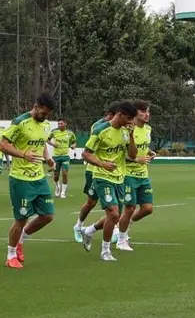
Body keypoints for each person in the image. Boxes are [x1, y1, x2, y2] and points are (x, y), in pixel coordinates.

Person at [0, 94, 57, 269]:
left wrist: (47, 158)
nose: (45, 117)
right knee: (21, 218)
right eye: (43, 113)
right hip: (21, 178)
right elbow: (3, 145)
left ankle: (21, 239)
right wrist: (23, 154)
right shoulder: (20, 122)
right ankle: (10, 255)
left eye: (48, 114)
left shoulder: (46, 125)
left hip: (39, 177)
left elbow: (41, 143)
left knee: (47, 216)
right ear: (36, 106)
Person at [79, 101, 137, 262]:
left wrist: (131, 136)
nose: (131, 122)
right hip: (102, 177)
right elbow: (86, 154)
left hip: (120, 178)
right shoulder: (100, 131)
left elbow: (132, 155)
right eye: (129, 118)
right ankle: (105, 251)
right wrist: (102, 164)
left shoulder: (126, 132)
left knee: (115, 217)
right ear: (119, 115)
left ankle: (89, 231)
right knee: (113, 213)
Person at [116, 100, 155, 251]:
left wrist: (150, 151)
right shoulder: (126, 130)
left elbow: (143, 145)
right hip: (128, 174)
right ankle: (121, 239)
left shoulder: (148, 129)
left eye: (148, 111)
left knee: (147, 208)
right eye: (143, 111)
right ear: (136, 113)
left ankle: (125, 224)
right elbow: (119, 153)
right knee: (130, 207)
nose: (147, 114)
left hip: (143, 174)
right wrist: (136, 158)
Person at [73, 107, 114, 242]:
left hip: (113, 171)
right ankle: (78, 226)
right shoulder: (98, 127)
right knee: (91, 202)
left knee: (114, 203)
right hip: (94, 169)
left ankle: (115, 230)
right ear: (110, 115)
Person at [50, 120, 75, 198]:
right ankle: (57, 186)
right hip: (56, 156)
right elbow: (47, 139)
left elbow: (74, 142)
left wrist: (73, 146)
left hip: (65, 156)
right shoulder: (54, 132)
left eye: (61, 123)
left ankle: (63, 192)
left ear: (65, 124)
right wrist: (53, 144)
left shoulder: (70, 133)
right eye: (58, 124)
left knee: (65, 173)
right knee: (56, 175)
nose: (59, 125)